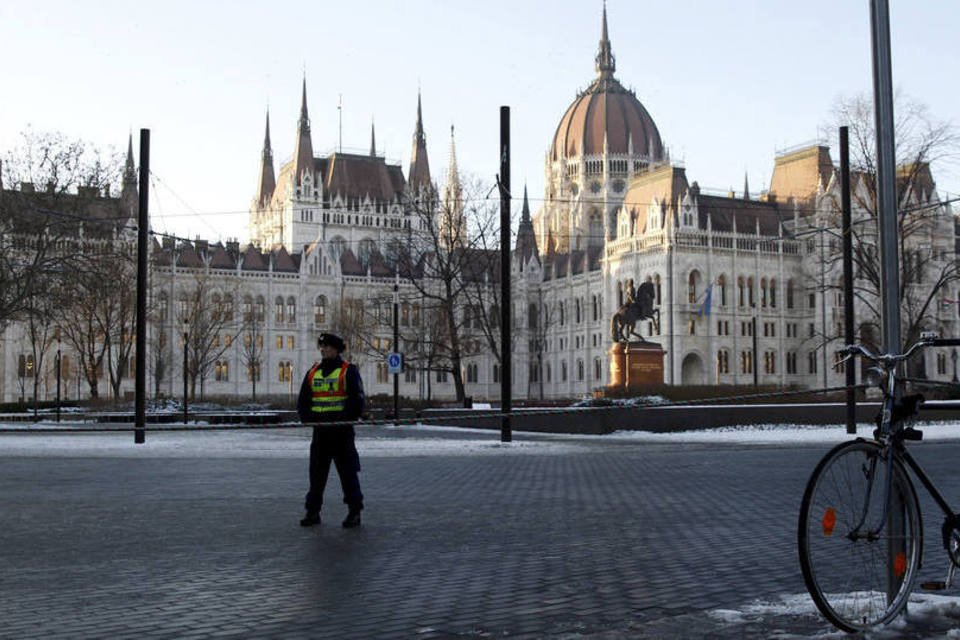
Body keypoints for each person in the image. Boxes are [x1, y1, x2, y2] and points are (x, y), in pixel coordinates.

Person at [297, 332, 365, 528]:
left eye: (328, 347)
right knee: (316, 476)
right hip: (321, 433)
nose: (324, 350)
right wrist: (311, 419)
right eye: (322, 346)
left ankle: (354, 511)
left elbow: (357, 402)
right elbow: (303, 402)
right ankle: (312, 511)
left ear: (337, 349)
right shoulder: (313, 372)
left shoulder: (348, 371)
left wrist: (340, 419)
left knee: (348, 473)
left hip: (341, 433)